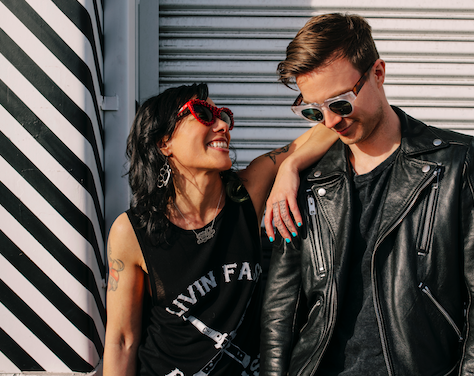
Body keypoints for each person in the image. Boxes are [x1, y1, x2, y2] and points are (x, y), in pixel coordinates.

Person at [260, 13, 474, 376]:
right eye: (314, 111)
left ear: (378, 72)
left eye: (341, 103)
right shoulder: (307, 183)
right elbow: (280, 312)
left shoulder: (455, 163)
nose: (330, 122)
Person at [103, 83, 336, 376]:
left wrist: (290, 166)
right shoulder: (133, 231)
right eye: (202, 114)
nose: (223, 125)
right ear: (164, 142)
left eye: (223, 116)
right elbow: (122, 341)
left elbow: (329, 128)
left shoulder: (246, 196)